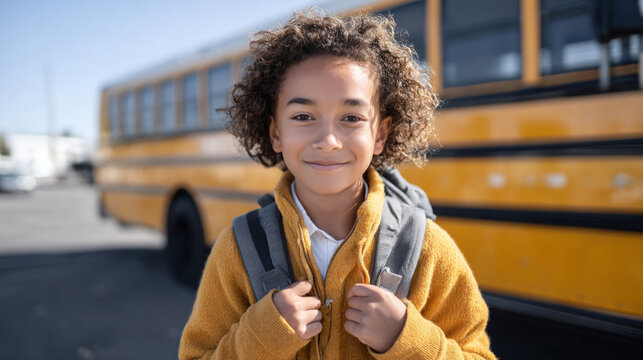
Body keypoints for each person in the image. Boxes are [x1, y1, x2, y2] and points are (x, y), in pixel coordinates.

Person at [179, 9, 496, 360]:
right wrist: (263, 336)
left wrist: (407, 339)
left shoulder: (427, 250)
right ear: (275, 132)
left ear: (381, 134)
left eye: (351, 118)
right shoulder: (239, 250)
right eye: (303, 116)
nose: (328, 140)